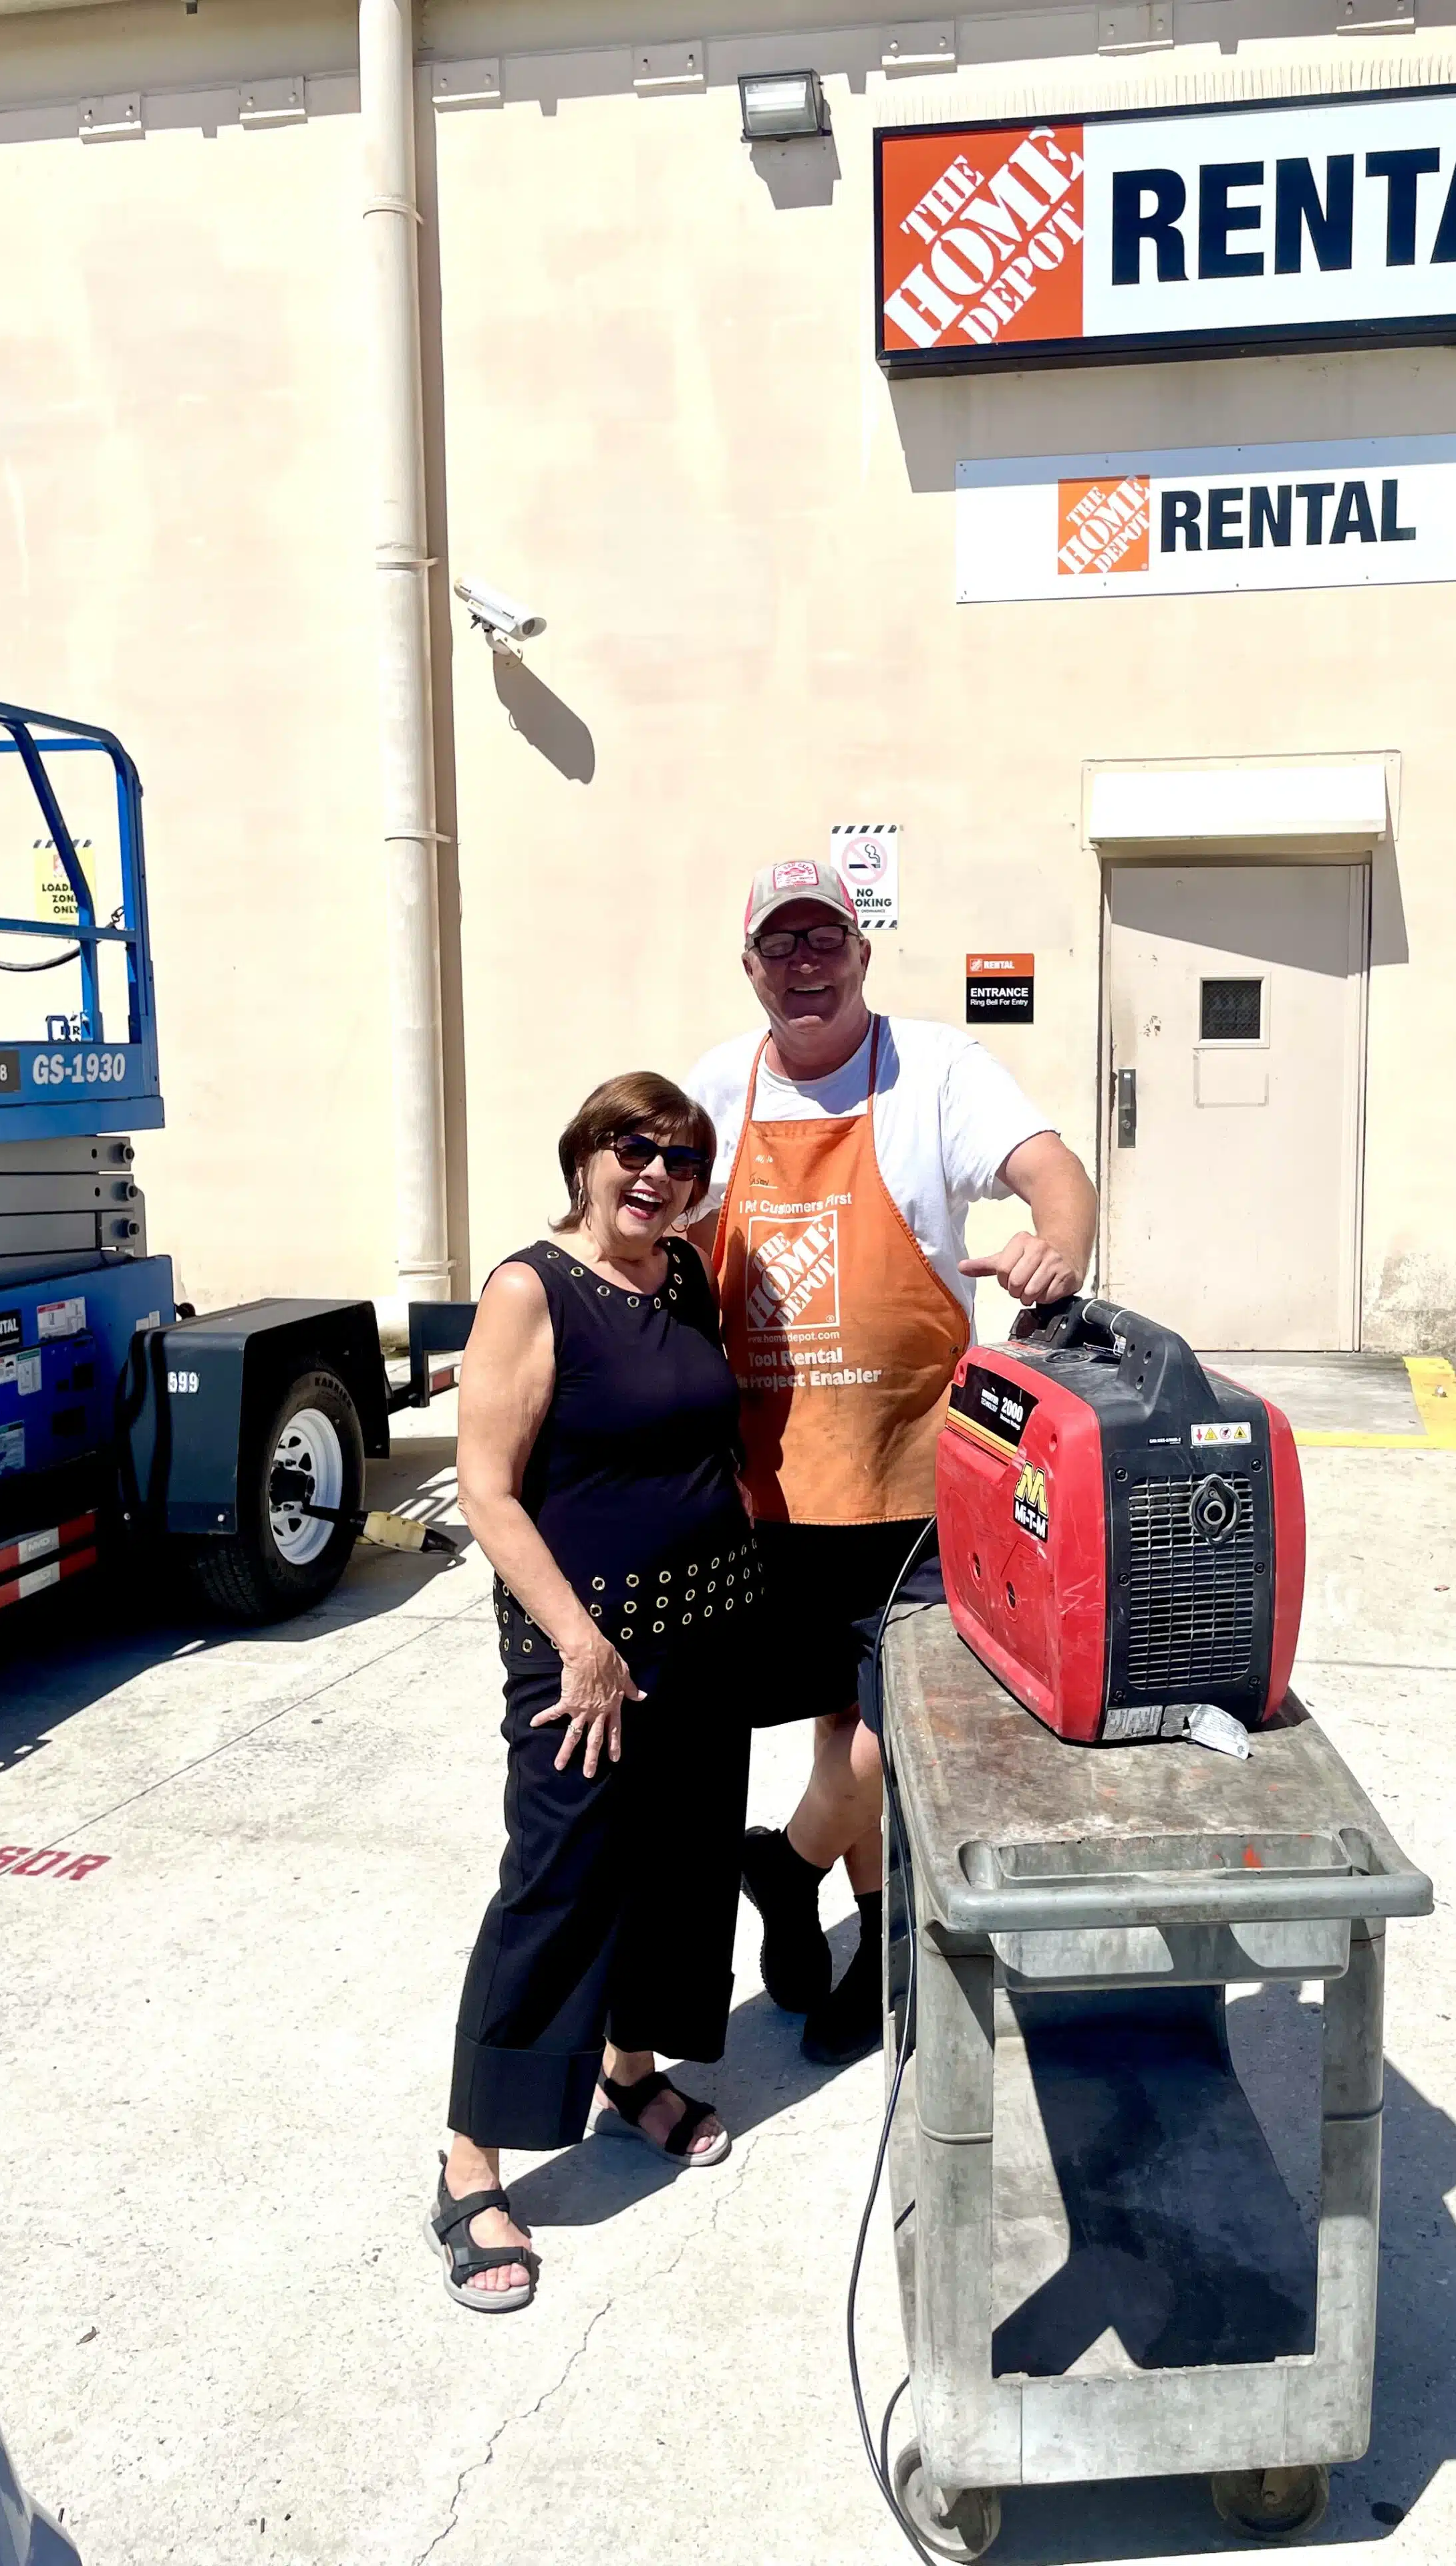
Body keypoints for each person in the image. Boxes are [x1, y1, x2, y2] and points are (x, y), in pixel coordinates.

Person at [686, 859, 1096, 2067]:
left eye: (826, 940)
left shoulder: (939, 1071)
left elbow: (1052, 1173)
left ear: (861, 954)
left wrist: (1054, 1242)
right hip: (774, 1483)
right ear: (750, 965)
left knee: (891, 1724)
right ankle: (874, 1944)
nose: (804, 962)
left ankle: (786, 1861)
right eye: (780, 945)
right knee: (833, 1721)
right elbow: (638, 1207)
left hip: (921, 1480)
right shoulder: (718, 1086)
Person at [427, 1073, 758, 2311]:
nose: (656, 1175)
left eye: (680, 1159)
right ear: (585, 1155)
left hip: (704, 1641)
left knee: (680, 1872)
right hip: (588, 1662)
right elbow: (488, 1488)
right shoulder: (531, 1289)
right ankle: (473, 2157)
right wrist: (577, 1640)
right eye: (634, 1149)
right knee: (557, 1890)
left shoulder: (681, 1278)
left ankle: (630, 2070)